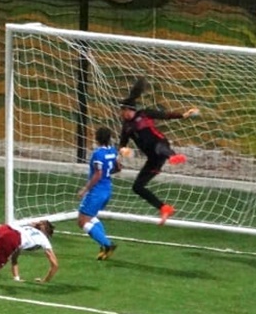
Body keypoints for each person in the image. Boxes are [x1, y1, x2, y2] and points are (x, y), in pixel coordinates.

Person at [118, 77, 199, 225]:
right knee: (137, 187)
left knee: (158, 146)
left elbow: (165, 115)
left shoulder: (145, 114)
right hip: (153, 159)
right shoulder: (126, 127)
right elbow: (122, 144)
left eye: (122, 110)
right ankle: (164, 208)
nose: (121, 113)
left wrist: (183, 115)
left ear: (129, 110)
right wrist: (124, 150)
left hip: (161, 145)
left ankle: (173, 156)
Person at [78, 126, 120, 260]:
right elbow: (118, 167)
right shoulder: (113, 152)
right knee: (91, 217)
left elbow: (98, 174)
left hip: (96, 191)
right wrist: (108, 173)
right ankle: (104, 246)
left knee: (82, 221)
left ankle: (107, 244)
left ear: (96, 138)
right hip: (107, 189)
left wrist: (85, 189)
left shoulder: (98, 154)